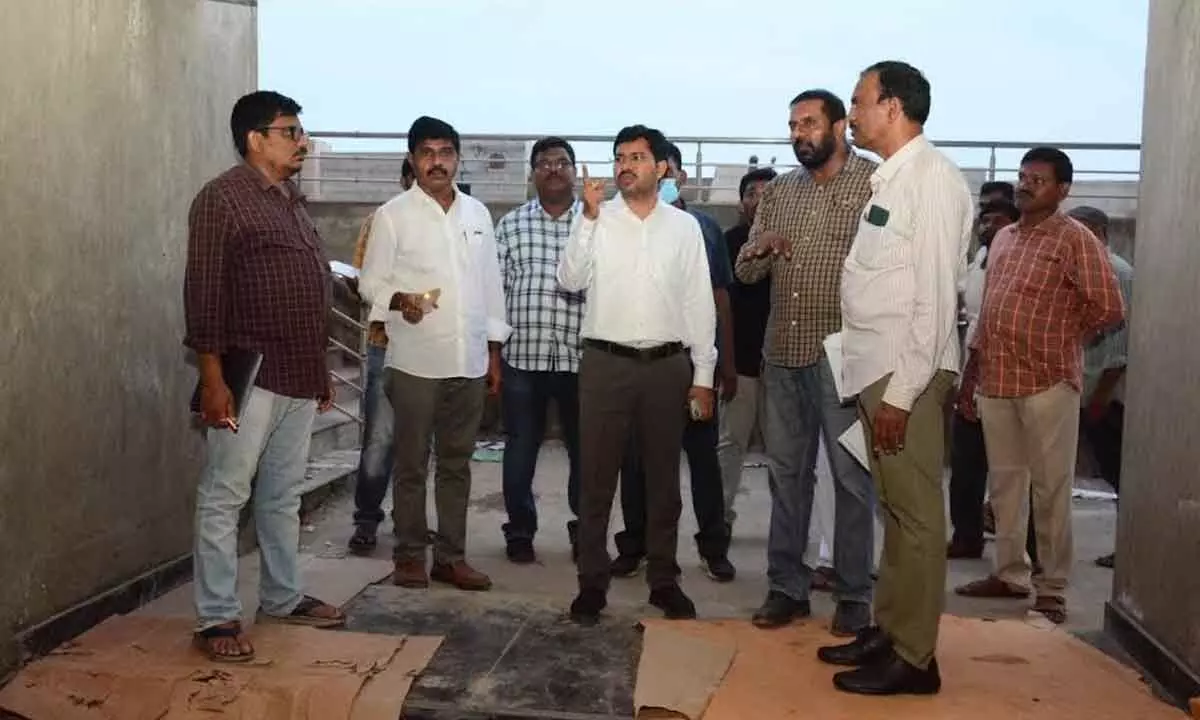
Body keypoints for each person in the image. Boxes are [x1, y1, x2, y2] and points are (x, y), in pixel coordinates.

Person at [816, 61, 973, 696]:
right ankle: (890, 630)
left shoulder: (930, 181)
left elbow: (934, 302)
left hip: (903, 373)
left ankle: (916, 657)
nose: (851, 113)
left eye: (859, 101)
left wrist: (903, 396)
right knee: (897, 512)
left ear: (894, 106)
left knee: (917, 516)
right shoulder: (895, 181)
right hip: (878, 369)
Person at [184, 90, 345, 663]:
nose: (302, 142)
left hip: (299, 374)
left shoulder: (292, 201)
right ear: (256, 139)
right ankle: (215, 617)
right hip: (247, 378)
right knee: (225, 496)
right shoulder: (222, 200)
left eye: (300, 132)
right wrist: (212, 379)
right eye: (290, 132)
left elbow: (311, 289)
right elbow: (203, 296)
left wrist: (321, 369)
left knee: (280, 497)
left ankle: (280, 596)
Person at [955, 150, 1124, 624]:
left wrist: (1066, 336)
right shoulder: (1005, 237)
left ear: (1063, 190)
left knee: (1050, 490)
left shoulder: (1075, 239)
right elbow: (988, 312)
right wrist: (973, 376)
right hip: (998, 380)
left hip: (1048, 382)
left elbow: (1109, 306)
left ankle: (1051, 588)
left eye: (1039, 180)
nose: (1026, 185)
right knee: (1006, 486)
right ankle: (1010, 575)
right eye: (1023, 177)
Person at [559, 124, 717, 624]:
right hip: (606, 364)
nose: (625, 166)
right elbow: (570, 279)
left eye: (637, 157)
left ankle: (664, 581)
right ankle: (591, 583)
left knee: (664, 482)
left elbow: (699, 303)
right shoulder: (595, 218)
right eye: (619, 157)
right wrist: (585, 219)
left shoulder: (684, 228)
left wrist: (704, 375)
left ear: (661, 167)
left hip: (668, 368)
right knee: (596, 480)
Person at [734, 89, 878, 636]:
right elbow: (746, 276)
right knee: (787, 477)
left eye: (810, 123)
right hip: (783, 357)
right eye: (793, 124)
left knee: (850, 480)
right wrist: (760, 247)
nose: (799, 133)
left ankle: (854, 594)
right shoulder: (779, 193)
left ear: (840, 126)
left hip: (844, 358)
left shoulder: (873, 184)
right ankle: (786, 588)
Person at [359, 116, 511, 592]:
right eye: (426, 153)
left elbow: (491, 287)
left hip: (467, 363)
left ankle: (451, 558)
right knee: (409, 464)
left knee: (456, 465)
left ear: (457, 158)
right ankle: (408, 557)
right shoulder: (393, 215)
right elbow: (370, 282)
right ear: (412, 160)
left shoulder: (478, 215)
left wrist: (492, 354)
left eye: (445, 152)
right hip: (415, 363)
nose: (437, 161)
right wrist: (399, 300)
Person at [611, 141, 737, 583]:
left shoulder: (700, 228)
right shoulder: (618, 222)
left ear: (675, 175)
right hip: (641, 364)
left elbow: (718, 298)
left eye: (666, 172)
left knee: (702, 460)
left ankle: (713, 545)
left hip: (690, 362)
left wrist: (722, 365)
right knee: (636, 461)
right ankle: (636, 544)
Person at [495, 137, 586, 564]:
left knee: (585, 451)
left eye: (562, 162)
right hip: (522, 358)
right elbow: (494, 294)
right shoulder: (510, 225)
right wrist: (493, 355)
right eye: (544, 162)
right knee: (520, 449)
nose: (553, 169)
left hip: (580, 358)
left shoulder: (595, 223)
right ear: (532, 173)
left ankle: (585, 529)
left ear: (574, 170)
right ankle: (519, 531)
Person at [347, 158, 415, 555]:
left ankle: (414, 523)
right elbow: (364, 281)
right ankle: (367, 519)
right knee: (380, 437)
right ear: (407, 177)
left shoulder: (456, 221)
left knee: (422, 443)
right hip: (385, 343)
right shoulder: (383, 220)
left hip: (435, 348)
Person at [947, 199, 1020, 559]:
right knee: (964, 467)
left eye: (997, 219)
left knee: (1010, 474)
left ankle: (1018, 555)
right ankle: (966, 536)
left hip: (1004, 374)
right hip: (970, 369)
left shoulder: (1017, 260)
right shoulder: (977, 260)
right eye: (983, 219)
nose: (986, 225)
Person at [1067, 206, 1133, 569]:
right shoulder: (1086, 271)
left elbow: (1120, 349)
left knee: (1121, 474)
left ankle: (1131, 549)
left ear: (1098, 232)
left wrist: (1100, 400)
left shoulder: (1115, 272)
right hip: (1086, 390)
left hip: (1105, 396)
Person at [717, 167, 777, 527]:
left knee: (784, 453)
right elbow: (720, 307)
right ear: (742, 203)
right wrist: (725, 365)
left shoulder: (792, 241)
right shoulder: (729, 241)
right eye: (752, 193)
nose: (759, 199)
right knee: (729, 445)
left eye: (767, 193)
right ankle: (720, 517)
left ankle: (787, 524)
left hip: (784, 364)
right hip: (740, 363)